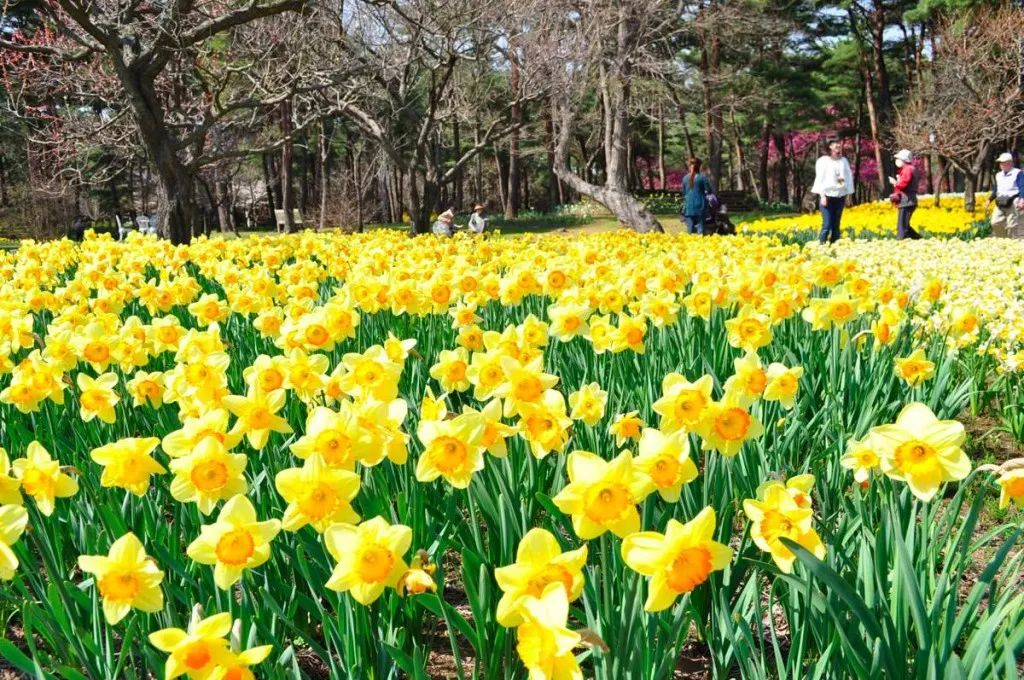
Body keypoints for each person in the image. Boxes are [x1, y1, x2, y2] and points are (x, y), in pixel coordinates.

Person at [811, 138, 855, 244]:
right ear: (829, 146)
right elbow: (820, 179)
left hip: (840, 197)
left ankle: (835, 246)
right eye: (835, 144)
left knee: (836, 225)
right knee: (827, 224)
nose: (838, 145)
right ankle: (822, 245)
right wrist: (822, 196)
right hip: (827, 196)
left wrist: (847, 193)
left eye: (839, 143)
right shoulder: (823, 161)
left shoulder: (843, 161)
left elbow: (846, 177)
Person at [986, 152, 1024, 238]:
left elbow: (1022, 187)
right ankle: (1003, 240)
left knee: (1012, 225)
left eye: (1003, 162)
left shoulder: (1017, 173)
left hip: (1013, 200)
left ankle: (1012, 243)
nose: (1001, 164)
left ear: (1010, 162)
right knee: (995, 222)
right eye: (1001, 163)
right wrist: (989, 199)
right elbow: (996, 189)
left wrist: (1022, 199)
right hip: (1000, 201)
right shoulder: (998, 175)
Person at [889, 149, 921, 240]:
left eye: (898, 158)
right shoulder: (910, 169)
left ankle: (901, 240)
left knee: (902, 225)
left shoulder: (908, 169)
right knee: (905, 224)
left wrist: (895, 182)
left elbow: (903, 184)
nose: (897, 161)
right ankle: (918, 240)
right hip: (909, 200)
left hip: (906, 200)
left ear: (903, 159)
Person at [680, 157, 713, 235]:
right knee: (701, 228)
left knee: (690, 229)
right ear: (699, 166)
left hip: (688, 206)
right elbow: (709, 191)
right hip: (700, 205)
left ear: (689, 166)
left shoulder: (685, 178)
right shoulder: (702, 177)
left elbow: (684, 193)